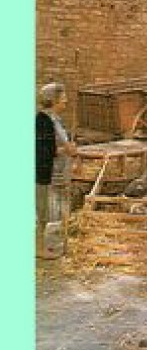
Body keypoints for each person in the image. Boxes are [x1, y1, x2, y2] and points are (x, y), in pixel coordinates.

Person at [35, 82, 77, 259]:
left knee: (53, 210)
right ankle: (38, 248)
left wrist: (69, 150)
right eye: (63, 98)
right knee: (43, 212)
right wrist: (65, 150)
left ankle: (48, 246)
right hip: (45, 172)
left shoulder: (56, 120)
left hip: (58, 171)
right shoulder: (42, 120)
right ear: (53, 101)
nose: (66, 101)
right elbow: (42, 150)